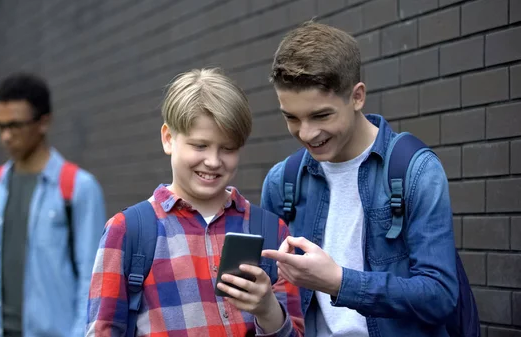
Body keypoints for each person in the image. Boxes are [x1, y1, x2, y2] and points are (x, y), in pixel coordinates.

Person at [259, 22, 460, 337]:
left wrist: (339, 281)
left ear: (357, 97)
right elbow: (276, 298)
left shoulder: (416, 171)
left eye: (321, 116)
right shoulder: (280, 182)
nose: (307, 134)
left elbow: (440, 296)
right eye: (292, 118)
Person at [86, 68, 304, 337]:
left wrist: (267, 309)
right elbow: (103, 331)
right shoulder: (128, 231)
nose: (213, 161)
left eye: (228, 148)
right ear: (168, 138)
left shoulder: (272, 231)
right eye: (199, 146)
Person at [0, 72, 107, 337]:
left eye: (15, 125)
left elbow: (93, 286)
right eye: (0, 127)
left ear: (44, 122)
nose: (6, 137)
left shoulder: (78, 188)